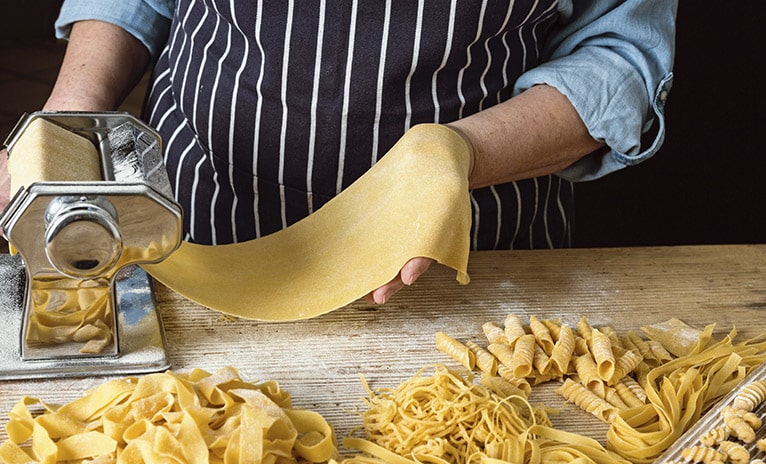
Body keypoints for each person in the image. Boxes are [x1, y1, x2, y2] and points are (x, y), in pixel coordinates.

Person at [0, 1, 677, 304]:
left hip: (460, 268)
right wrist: (68, 123)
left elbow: (621, 57)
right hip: (188, 230)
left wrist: (458, 152)